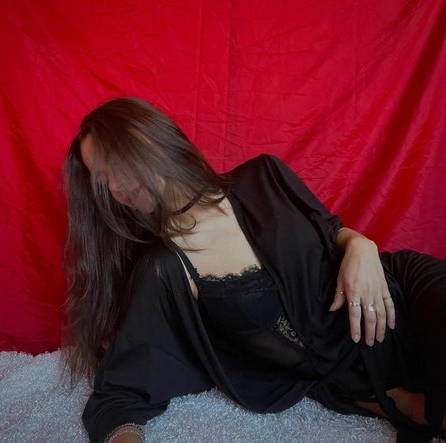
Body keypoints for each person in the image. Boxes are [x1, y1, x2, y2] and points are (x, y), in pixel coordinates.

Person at [62, 97, 446, 443]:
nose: (115, 186)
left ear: (149, 136)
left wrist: (361, 245)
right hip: (360, 378)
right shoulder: (166, 268)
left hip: (405, 290)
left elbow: (329, 231)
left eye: (115, 162)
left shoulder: (265, 175)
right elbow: (121, 393)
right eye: (102, 180)